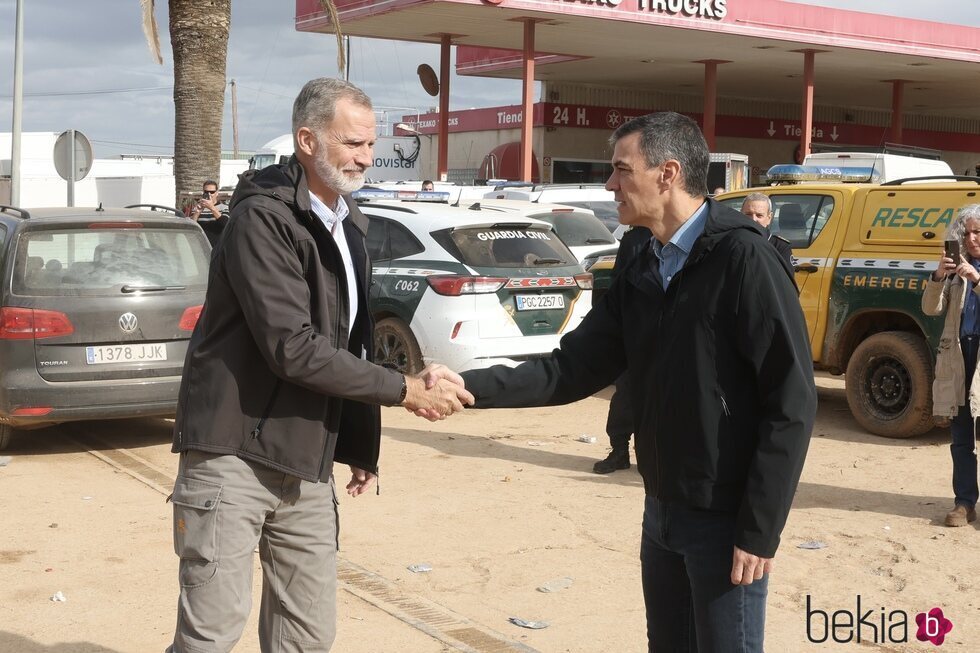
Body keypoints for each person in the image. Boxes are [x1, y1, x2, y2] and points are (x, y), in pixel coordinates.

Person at [446, 112, 815, 652]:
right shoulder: (641, 256)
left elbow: (792, 402)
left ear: (667, 174)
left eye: (621, 170)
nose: (609, 184)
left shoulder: (743, 258)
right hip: (661, 511)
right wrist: (467, 386)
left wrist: (759, 529)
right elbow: (572, 368)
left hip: (724, 522)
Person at [166, 77, 472, 653]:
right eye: (352, 143)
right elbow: (293, 347)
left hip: (306, 460)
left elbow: (347, 342)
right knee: (209, 635)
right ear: (307, 140)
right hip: (233, 455)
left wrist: (357, 442)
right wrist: (404, 391)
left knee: (306, 636)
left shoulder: (347, 221)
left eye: (370, 144)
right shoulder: (264, 219)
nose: (366, 156)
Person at [923, 203, 980, 527]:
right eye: (966, 233)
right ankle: (964, 503)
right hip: (960, 356)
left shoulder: (972, 272)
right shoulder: (957, 269)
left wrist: (977, 279)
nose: (971, 239)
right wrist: (938, 276)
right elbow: (931, 308)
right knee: (961, 437)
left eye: (977, 232)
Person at [593, 224, 651, 474]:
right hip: (635, 329)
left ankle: (652, 457)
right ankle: (619, 450)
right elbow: (620, 284)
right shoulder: (635, 239)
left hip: (672, 331)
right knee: (626, 394)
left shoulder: (688, 235)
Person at [741, 192, 793, 268]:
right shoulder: (730, 242)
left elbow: (784, 279)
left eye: (759, 215)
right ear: (740, 214)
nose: (753, 219)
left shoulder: (780, 247)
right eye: (748, 214)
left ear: (769, 217)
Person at [189, 180, 229, 247]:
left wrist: (212, 208)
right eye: (206, 192)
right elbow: (191, 226)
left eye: (212, 192)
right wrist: (197, 212)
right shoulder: (197, 208)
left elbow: (225, 224)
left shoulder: (224, 208)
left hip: (218, 248)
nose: (209, 194)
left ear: (217, 193)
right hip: (201, 246)